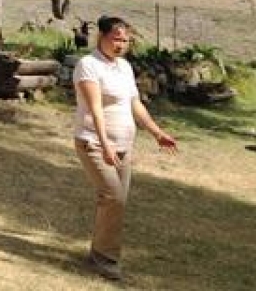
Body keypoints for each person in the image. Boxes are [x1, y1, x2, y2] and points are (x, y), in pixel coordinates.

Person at [73, 15, 178, 282]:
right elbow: (95, 108)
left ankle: (98, 252)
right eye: (116, 38)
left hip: (124, 146)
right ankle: (106, 260)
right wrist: (105, 145)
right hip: (94, 143)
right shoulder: (88, 65)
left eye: (126, 40)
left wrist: (157, 133)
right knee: (113, 198)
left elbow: (135, 105)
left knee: (113, 201)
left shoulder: (124, 67)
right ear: (102, 37)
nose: (121, 44)